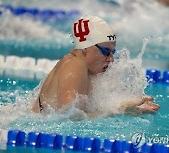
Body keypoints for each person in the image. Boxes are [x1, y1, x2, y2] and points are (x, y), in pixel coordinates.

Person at [32, 15, 160, 116]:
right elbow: (68, 117)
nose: (111, 59)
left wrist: (128, 106)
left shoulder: (88, 71)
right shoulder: (75, 65)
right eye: (106, 52)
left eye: (113, 53)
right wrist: (120, 111)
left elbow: (83, 112)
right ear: (85, 48)